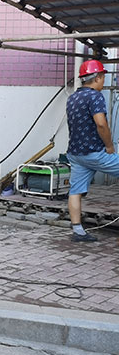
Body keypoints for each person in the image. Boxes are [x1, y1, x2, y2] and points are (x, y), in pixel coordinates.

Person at [66, 59, 119, 242]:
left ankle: (78, 231)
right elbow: (101, 124)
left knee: (75, 191)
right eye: (103, 77)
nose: (103, 81)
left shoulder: (73, 97)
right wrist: (110, 146)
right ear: (97, 78)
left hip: (76, 154)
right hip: (94, 153)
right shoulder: (95, 96)